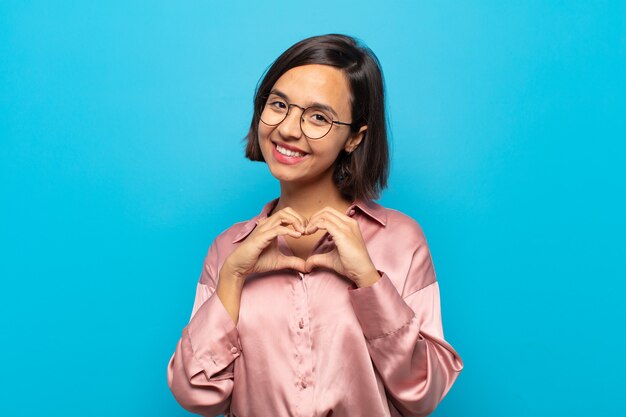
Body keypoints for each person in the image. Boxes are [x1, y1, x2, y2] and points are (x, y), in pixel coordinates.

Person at [167, 34, 463, 417]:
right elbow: (196, 394)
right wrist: (233, 276)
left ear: (354, 138)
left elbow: (422, 392)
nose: (289, 129)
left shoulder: (402, 241)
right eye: (279, 105)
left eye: (319, 117)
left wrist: (370, 283)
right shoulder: (229, 248)